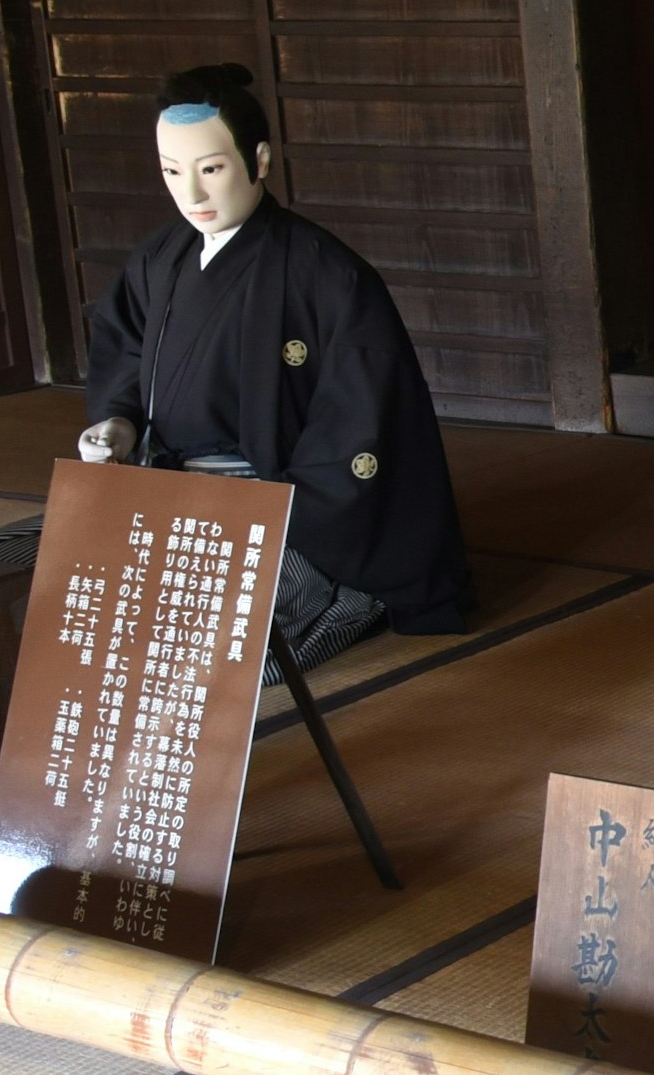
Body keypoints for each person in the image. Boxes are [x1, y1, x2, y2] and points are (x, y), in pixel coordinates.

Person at [73, 63, 472, 677]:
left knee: (212, 653)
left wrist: (268, 506)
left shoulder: (327, 275)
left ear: (259, 160)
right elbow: (123, 355)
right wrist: (118, 425)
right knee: (31, 580)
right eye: (172, 173)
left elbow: (362, 423)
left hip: (280, 513)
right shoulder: (160, 258)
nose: (193, 196)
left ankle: (350, 597)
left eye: (212, 169)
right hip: (164, 497)